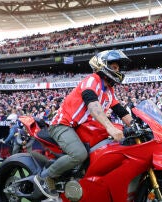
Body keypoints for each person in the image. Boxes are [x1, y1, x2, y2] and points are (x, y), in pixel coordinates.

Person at [33, 50, 134, 199]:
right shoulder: (92, 80)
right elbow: (93, 105)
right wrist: (110, 127)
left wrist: (139, 125)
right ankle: (46, 177)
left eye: (118, 68)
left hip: (81, 127)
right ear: (103, 66)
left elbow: (121, 111)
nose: (117, 70)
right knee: (79, 154)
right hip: (63, 124)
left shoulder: (109, 91)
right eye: (114, 67)